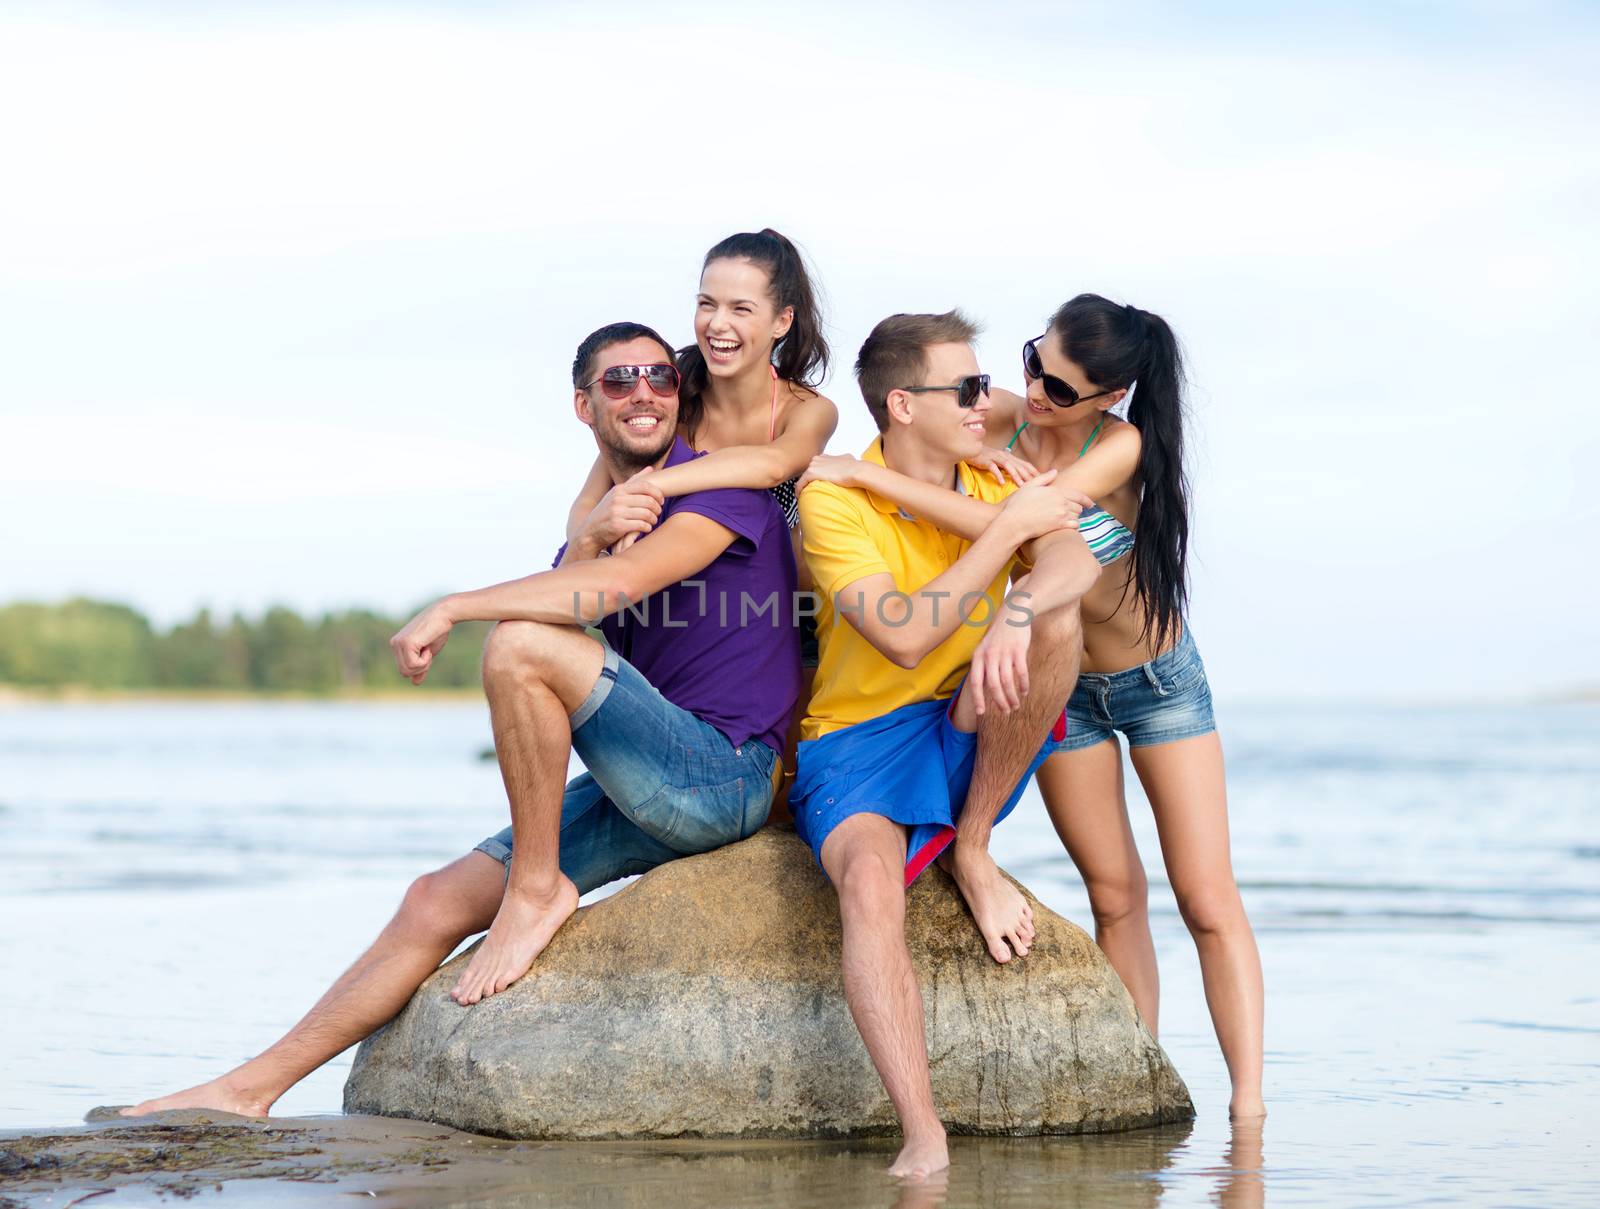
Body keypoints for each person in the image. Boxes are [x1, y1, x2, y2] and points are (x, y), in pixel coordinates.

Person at [123, 321, 800, 1118]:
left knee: (518, 646)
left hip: (727, 773)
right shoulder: (607, 511)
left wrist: (453, 605)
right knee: (431, 900)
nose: (644, 391)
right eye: (619, 381)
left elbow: (602, 597)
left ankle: (538, 888)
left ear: (679, 393)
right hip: (653, 776)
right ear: (584, 405)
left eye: (659, 375)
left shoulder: (719, 486)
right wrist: (585, 534)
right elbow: (576, 591)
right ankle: (247, 1089)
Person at [797, 295, 1265, 1120]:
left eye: (1061, 385)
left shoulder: (1115, 444)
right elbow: (947, 448)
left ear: (1109, 396)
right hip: (1059, 682)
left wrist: (867, 473)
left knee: (1205, 897)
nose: (1033, 392)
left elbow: (1045, 533)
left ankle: (1250, 1110)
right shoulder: (995, 413)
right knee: (1114, 892)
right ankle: (1141, 1076)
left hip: (1153, 677)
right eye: (1030, 363)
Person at [790, 310, 1102, 1179]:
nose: (988, 402)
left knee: (1056, 615)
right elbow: (900, 635)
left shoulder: (992, 471)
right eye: (965, 389)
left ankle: (973, 848)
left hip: (970, 718)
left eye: (982, 384)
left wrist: (1020, 606)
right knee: (866, 882)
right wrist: (1004, 538)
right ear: (900, 404)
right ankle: (923, 1132)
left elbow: (1076, 563)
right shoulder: (834, 493)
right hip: (854, 741)